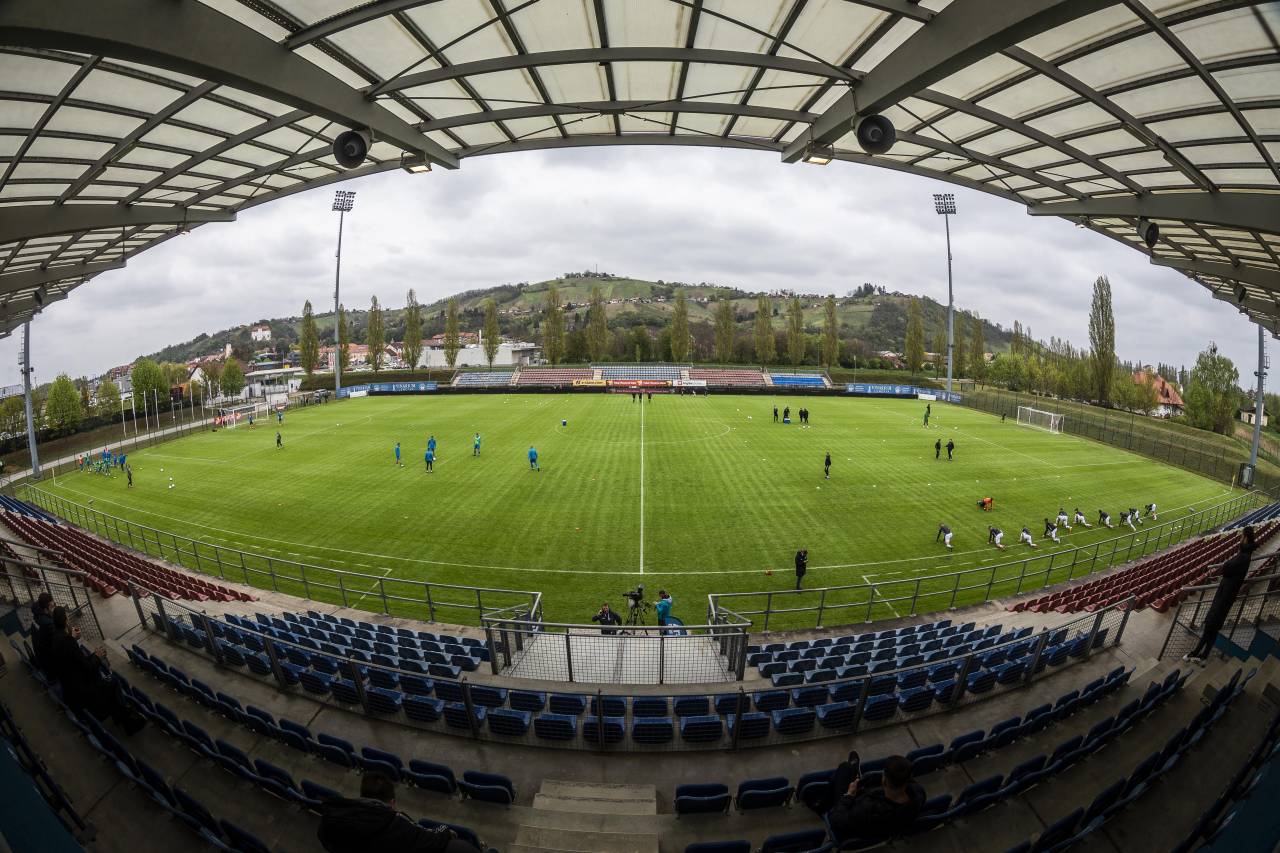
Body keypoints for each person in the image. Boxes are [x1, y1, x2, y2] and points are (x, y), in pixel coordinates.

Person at [317, 772, 469, 853]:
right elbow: (429, 839)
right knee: (459, 847)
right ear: (391, 803)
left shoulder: (335, 814)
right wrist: (445, 830)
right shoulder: (397, 824)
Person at [47, 607, 143, 734]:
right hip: (83, 690)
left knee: (107, 682)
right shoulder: (68, 642)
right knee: (113, 683)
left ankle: (120, 717)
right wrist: (97, 657)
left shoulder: (56, 638)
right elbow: (88, 668)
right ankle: (127, 721)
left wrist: (77, 642)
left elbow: (74, 660)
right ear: (66, 621)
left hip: (71, 687)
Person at [1184, 526, 1257, 664]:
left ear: (1246, 538)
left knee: (1209, 628)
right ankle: (1202, 656)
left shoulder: (1243, 556)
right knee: (1213, 630)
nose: (1240, 538)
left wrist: (1226, 566)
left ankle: (1196, 654)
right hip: (1226, 596)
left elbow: (1226, 568)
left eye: (1242, 536)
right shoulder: (1246, 555)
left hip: (1224, 597)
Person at [826, 752, 926, 844]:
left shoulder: (868, 810)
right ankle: (856, 775)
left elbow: (835, 819)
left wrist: (849, 795)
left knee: (844, 768)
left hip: (853, 821)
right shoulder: (918, 794)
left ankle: (824, 804)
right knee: (857, 778)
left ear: (884, 781)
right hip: (883, 829)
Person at [30, 592, 56, 676]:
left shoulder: (36, 616)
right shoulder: (48, 624)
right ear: (45, 610)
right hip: (51, 665)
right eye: (52, 607)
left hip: (41, 658)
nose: (54, 609)